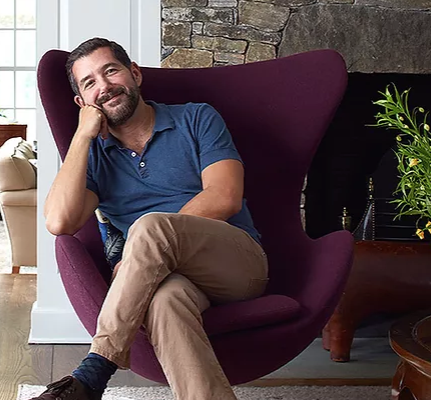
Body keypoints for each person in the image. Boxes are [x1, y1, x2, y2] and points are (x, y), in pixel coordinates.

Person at [34, 37, 269, 400]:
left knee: (149, 226)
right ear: (82, 103)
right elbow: (59, 222)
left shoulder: (196, 118)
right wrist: (81, 136)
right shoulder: (95, 157)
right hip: (166, 278)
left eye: (111, 71)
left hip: (236, 264)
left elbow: (224, 196)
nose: (104, 86)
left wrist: (141, 249)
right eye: (90, 83)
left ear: (135, 74)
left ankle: (95, 371)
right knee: (164, 302)